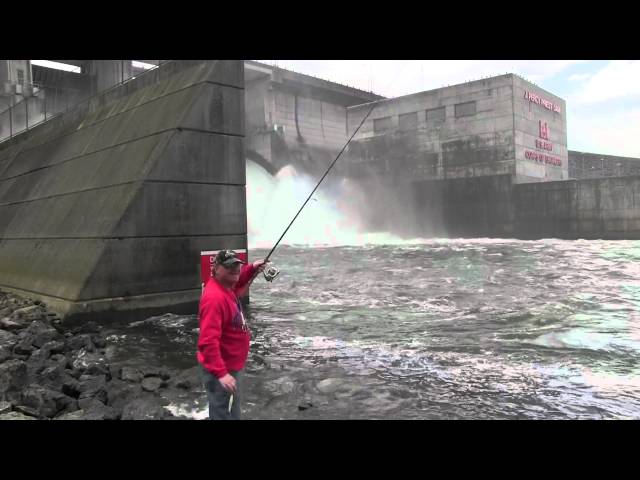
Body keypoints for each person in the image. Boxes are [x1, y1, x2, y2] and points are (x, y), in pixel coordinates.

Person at [197, 249, 267, 420]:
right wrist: (221, 374)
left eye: (237, 265)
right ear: (216, 268)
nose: (235, 270)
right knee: (222, 412)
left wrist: (251, 268)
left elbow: (238, 279)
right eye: (229, 266)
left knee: (231, 408)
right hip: (223, 369)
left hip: (231, 365)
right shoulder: (214, 299)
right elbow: (207, 342)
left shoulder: (224, 285)